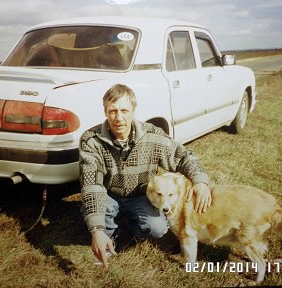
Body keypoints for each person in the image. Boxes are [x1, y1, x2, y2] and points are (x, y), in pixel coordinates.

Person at [79, 84, 212, 269]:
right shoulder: (90, 140)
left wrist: (200, 180)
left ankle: (134, 232)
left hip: (141, 195)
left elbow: (183, 156)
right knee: (103, 210)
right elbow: (91, 186)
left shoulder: (152, 135)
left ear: (133, 110)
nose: (118, 118)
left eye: (124, 110)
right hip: (108, 194)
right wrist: (96, 230)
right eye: (112, 111)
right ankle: (109, 236)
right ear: (105, 111)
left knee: (157, 228)